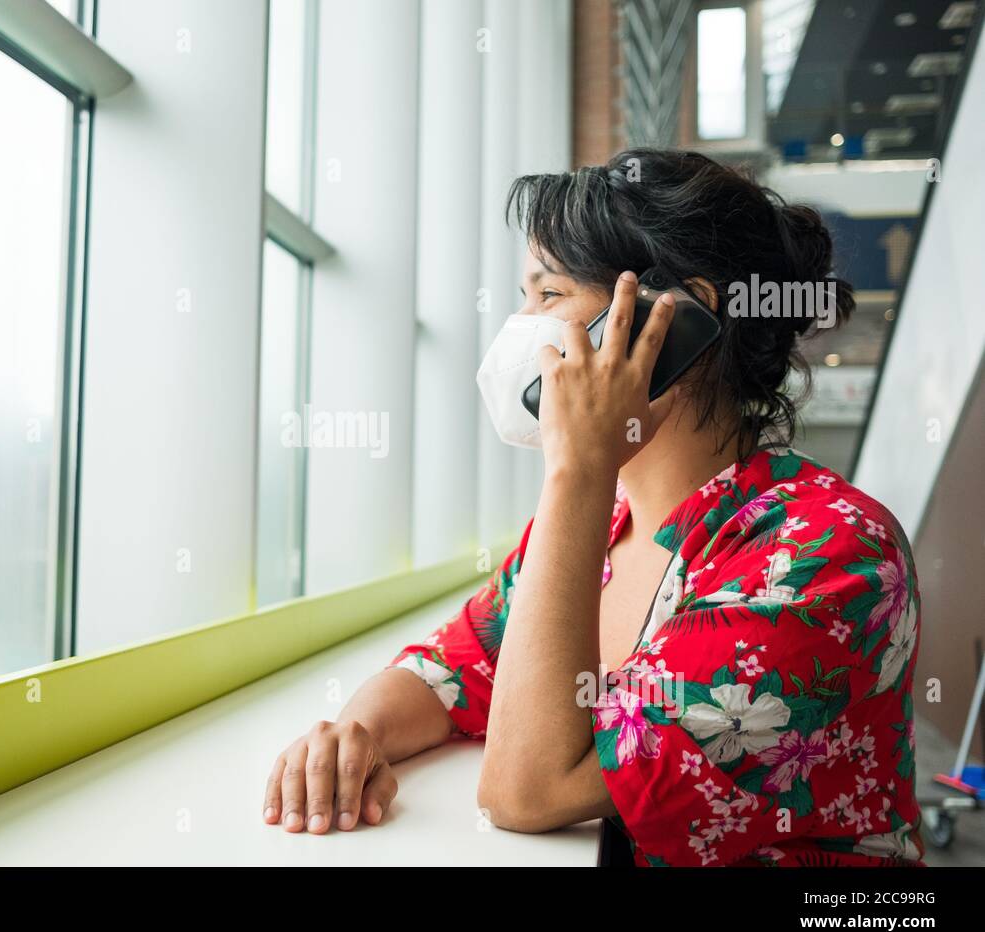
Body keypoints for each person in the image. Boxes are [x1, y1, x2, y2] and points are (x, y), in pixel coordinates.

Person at [261, 148, 923, 867]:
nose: (522, 329)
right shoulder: (604, 527)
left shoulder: (831, 552)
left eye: (548, 297)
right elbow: (451, 670)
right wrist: (351, 738)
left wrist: (576, 466)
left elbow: (529, 789)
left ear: (670, 325)